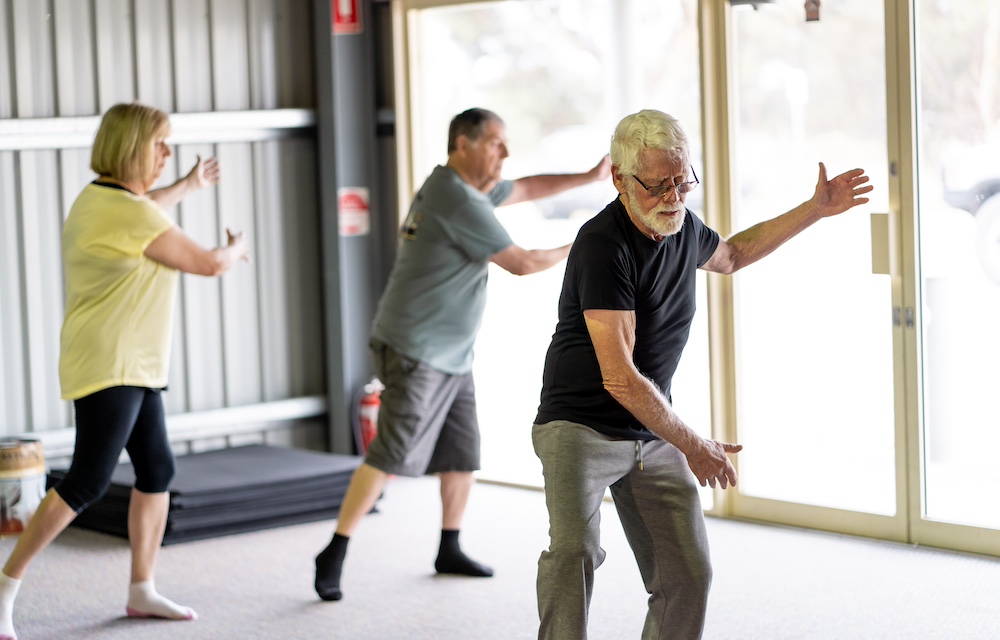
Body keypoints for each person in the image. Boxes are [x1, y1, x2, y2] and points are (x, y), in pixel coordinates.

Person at [531, 109, 872, 640]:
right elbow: (619, 377)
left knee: (688, 575)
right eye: (659, 185)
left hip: (651, 426)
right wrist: (694, 444)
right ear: (620, 180)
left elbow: (733, 255)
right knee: (574, 552)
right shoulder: (603, 244)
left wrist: (816, 209)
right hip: (579, 427)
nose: (674, 196)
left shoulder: (684, 228)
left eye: (682, 179)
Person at [314, 107, 612, 602]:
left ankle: (449, 547)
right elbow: (520, 263)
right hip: (418, 349)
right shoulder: (456, 199)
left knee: (460, 451)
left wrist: (586, 177)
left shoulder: (465, 187)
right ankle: (335, 550)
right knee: (390, 453)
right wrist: (582, 243)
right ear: (463, 145)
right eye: (496, 143)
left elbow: (527, 187)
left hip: (451, 350)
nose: (506, 153)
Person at [0, 102, 250, 640]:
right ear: (132, 146)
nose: (166, 153)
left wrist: (184, 186)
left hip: (132, 362)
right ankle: (4, 586)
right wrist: (235, 250)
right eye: (159, 143)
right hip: (111, 363)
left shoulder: (104, 199)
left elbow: (149, 205)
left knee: (156, 470)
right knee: (87, 481)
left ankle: (142, 589)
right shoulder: (130, 213)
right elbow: (205, 263)